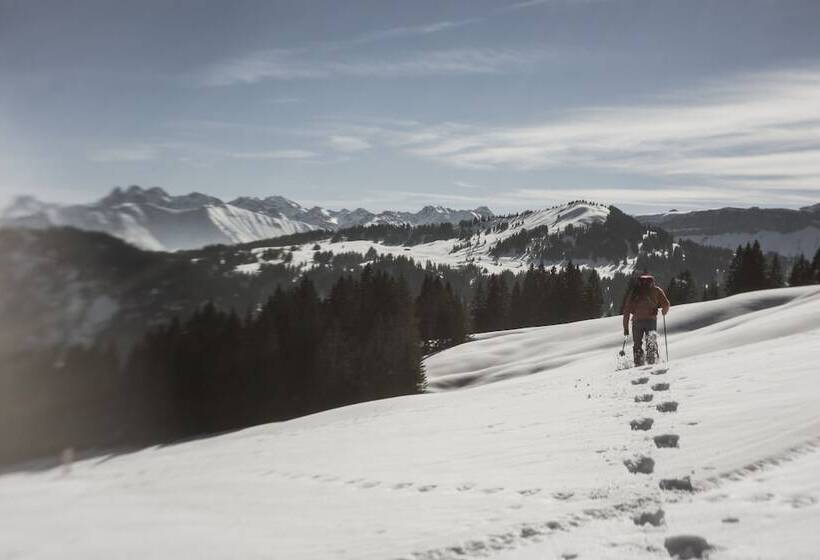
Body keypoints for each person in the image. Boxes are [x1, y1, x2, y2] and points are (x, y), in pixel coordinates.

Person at [622, 273, 670, 366]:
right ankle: (653, 362)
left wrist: (626, 328)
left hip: (636, 321)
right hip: (651, 320)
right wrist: (664, 311)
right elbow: (666, 304)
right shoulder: (656, 290)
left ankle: (639, 364)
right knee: (651, 342)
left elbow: (627, 310)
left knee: (637, 344)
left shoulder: (635, 291)